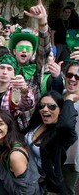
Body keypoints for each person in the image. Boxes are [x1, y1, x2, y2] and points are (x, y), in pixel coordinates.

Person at [25, 90, 78, 194]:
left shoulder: (61, 134)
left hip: (45, 186)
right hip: (27, 178)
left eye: (51, 106)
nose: (45, 109)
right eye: (41, 106)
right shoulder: (38, 123)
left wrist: (69, 99)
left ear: (61, 110)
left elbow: (66, 124)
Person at [0, 109, 41, 194]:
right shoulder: (1, 142)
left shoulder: (15, 156)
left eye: (0, 123)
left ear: (8, 126)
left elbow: (26, 192)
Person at [62, 61, 79, 195]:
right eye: (70, 75)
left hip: (72, 161)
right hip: (54, 157)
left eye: (77, 76)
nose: (73, 78)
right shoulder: (58, 96)